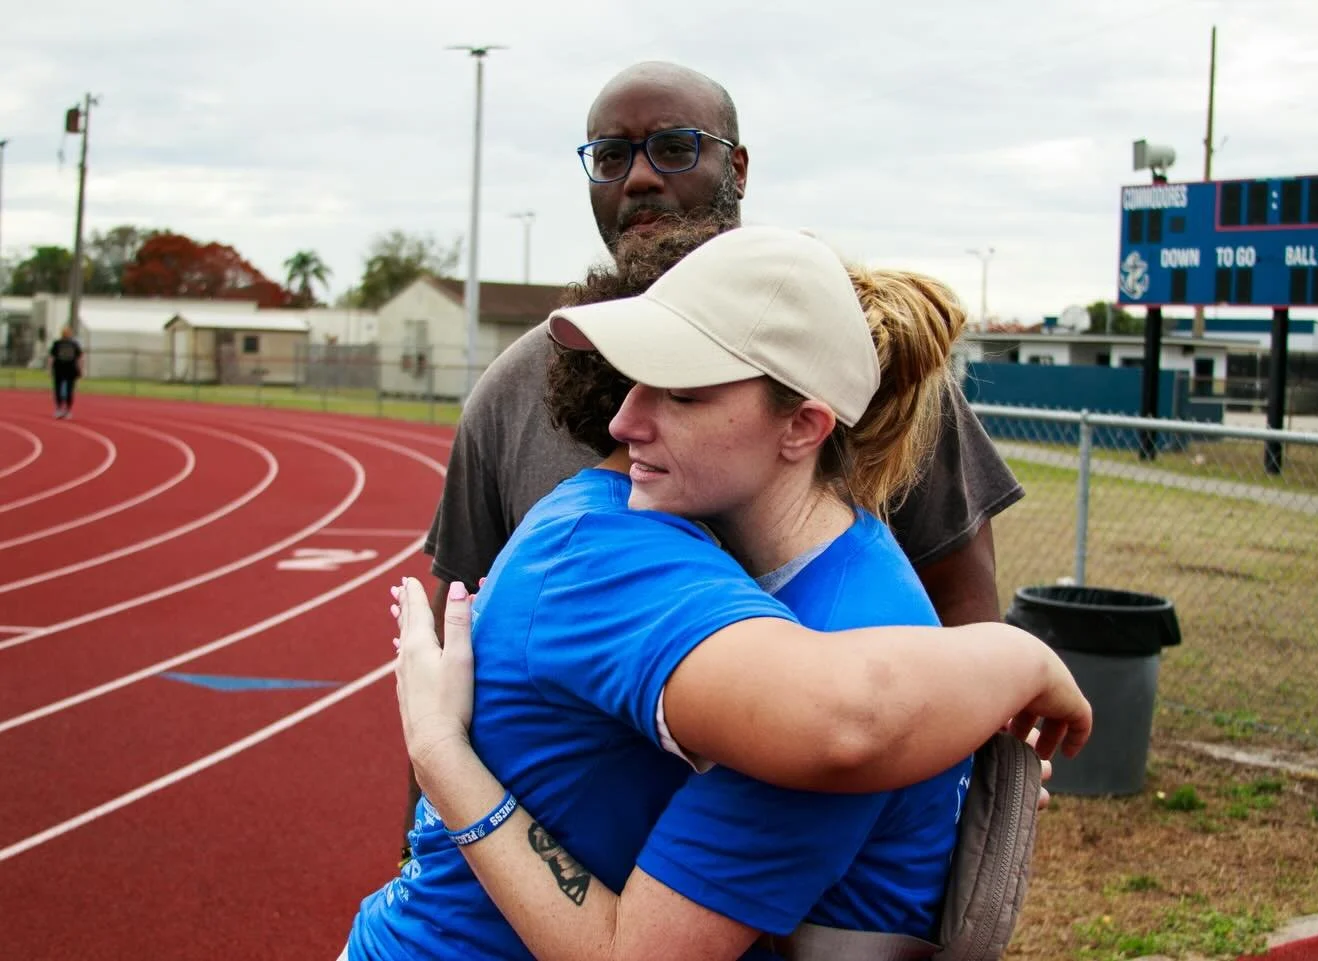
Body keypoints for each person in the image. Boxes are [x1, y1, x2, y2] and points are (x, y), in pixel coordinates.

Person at [344, 227, 1091, 961]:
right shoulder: (780, 579)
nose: (623, 419)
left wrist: (1013, 656)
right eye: (635, 378)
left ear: (801, 425)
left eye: (683, 393)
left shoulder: (833, 646)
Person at [411, 59, 1024, 848]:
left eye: (673, 147)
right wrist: (419, 830)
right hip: (578, 869)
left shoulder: (852, 357)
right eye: (610, 156)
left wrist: (968, 775)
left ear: (736, 166)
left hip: (793, 847)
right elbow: (452, 648)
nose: (637, 179)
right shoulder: (514, 391)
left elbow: (962, 596)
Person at [47, 327, 84, 419]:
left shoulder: (60, 343)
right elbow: (80, 358)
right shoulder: (70, 344)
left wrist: (50, 368)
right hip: (67, 369)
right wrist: (80, 369)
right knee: (67, 390)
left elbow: (51, 358)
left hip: (62, 369)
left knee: (61, 390)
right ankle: (65, 410)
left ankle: (62, 409)